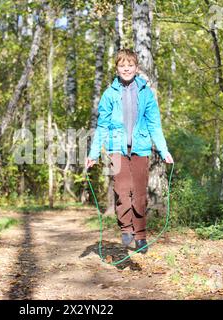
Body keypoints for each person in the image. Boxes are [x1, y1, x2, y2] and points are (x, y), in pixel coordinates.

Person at [86, 49, 174, 254]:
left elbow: (154, 124)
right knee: (122, 189)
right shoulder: (109, 94)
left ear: (137, 68)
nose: (126, 69)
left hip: (141, 148)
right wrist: (93, 154)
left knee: (140, 194)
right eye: (122, 66)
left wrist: (163, 150)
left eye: (130, 65)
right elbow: (102, 126)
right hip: (116, 149)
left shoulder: (146, 92)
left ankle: (141, 236)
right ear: (117, 68)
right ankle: (126, 229)